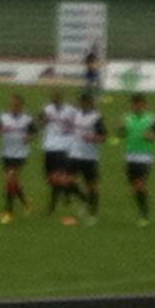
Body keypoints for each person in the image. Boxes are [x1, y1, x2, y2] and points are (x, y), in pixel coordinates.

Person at [118, 94, 155, 228]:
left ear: (144, 105)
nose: (137, 106)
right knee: (134, 187)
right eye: (135, 104)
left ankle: (145, 214)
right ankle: (143, 209)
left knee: (139, 184)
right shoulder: (126, 118)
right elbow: (121, 135)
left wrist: (152, 136)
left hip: (145, 157)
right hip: (130, 156)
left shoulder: (152, 118)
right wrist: (121, 129)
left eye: (140, 104)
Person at [0, 95, 36, 224]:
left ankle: (8, 211)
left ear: (21, 106)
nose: (14, 107)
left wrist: (29, 138)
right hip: (6, 153)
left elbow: (34, 133)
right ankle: (25, 203)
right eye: (12, 104)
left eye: (16, 105)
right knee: (13, 181)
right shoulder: (2, 117)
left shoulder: (27, 119)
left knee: (10, 178)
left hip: (20, 154)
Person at [39, 90, 81, 218]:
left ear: (61, 99)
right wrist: (43, 120)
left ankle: (52, 206)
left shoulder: (70, 110)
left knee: (58, 177)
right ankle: (71, 195)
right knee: (51, 179)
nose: (55, 100)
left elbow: (80, 123)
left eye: (57, 98)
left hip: (64, 147)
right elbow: (39, 121)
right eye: (54, 98)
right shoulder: (47, 109)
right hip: (49, 147)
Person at [69, 92, 107, 226]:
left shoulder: (96, 118)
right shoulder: (76, 114)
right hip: (75, 154)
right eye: (80, 101)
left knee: (92, 186)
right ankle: (85, 200)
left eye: (84, 102)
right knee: (67, 181)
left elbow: (103, 137)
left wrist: (92, 138)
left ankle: (93, 214)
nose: (81, 104)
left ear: (89, 103)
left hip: (90, 156)